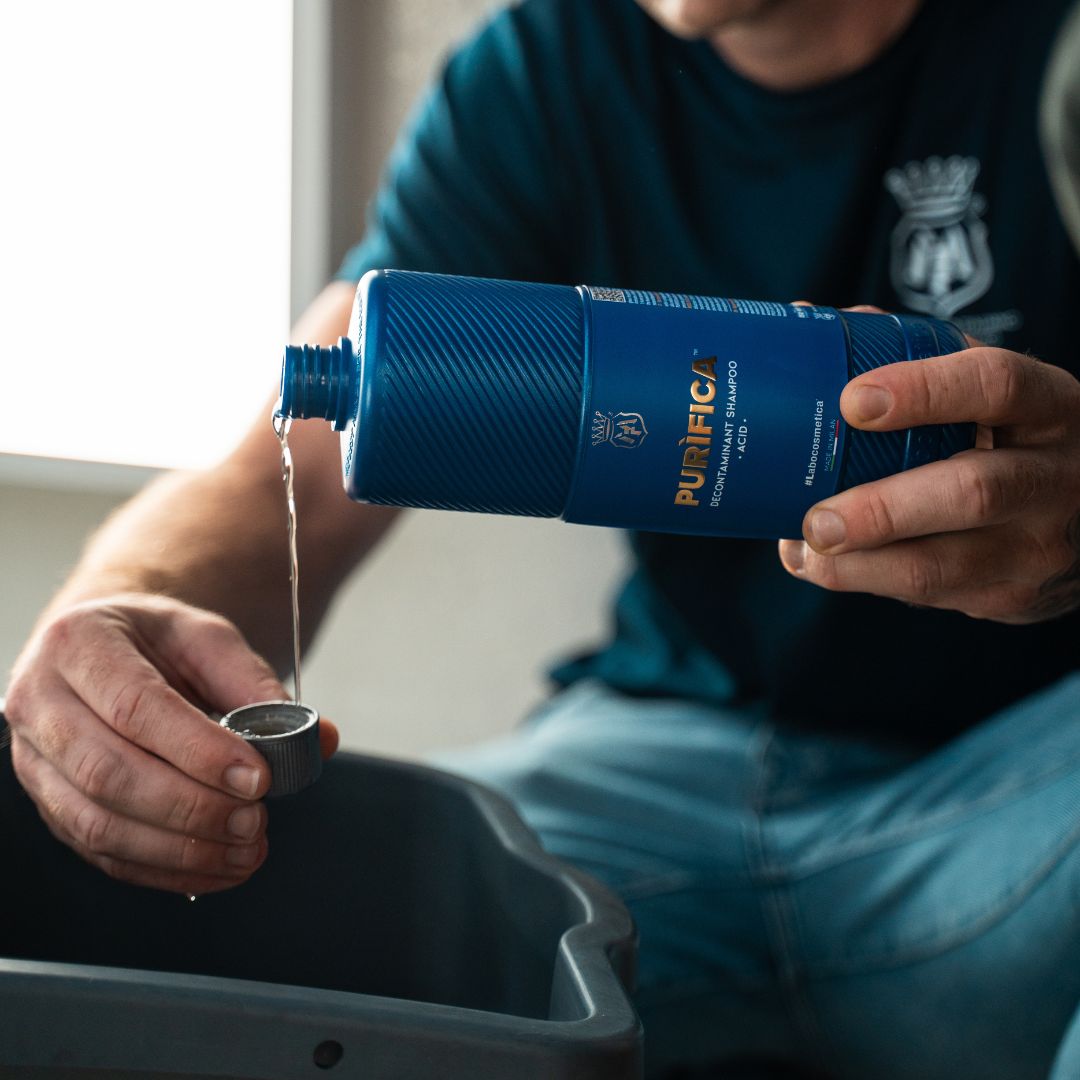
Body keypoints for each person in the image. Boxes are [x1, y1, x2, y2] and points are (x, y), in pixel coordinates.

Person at [4, 0, 1080, 1075]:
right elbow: (279, 467)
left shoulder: (1048, 54)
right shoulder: (547, 69)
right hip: (651, 774)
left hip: (1025, 791)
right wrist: (111, 623)